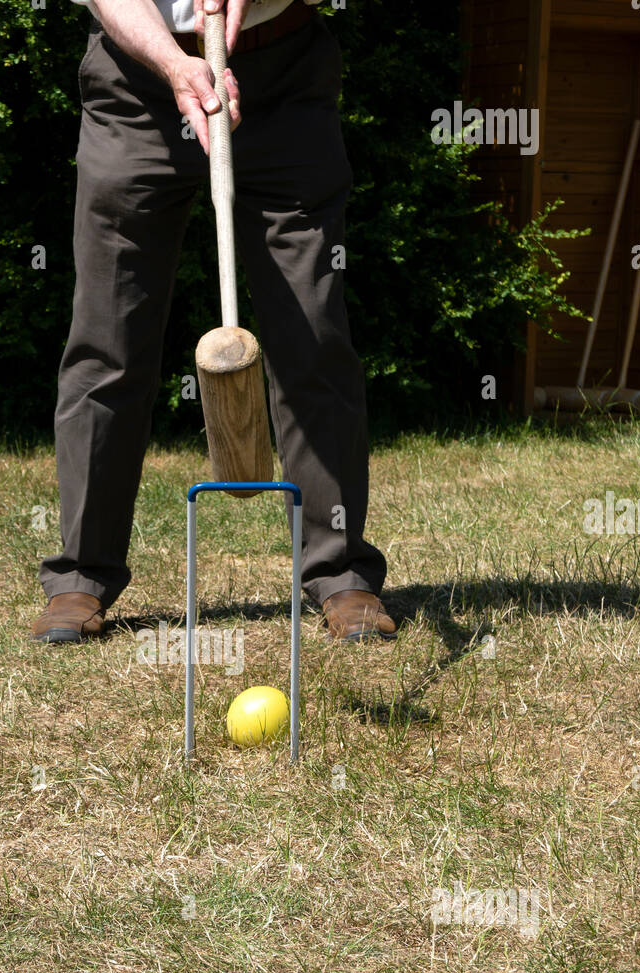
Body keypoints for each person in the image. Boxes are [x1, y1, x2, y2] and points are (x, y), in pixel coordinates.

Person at [33, 0, 396, 645]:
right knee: (107, 340)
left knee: (313, 332)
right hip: (136, 78)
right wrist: (176, 64)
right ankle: (79, 579)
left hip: (283, 75)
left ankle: (341, 575)